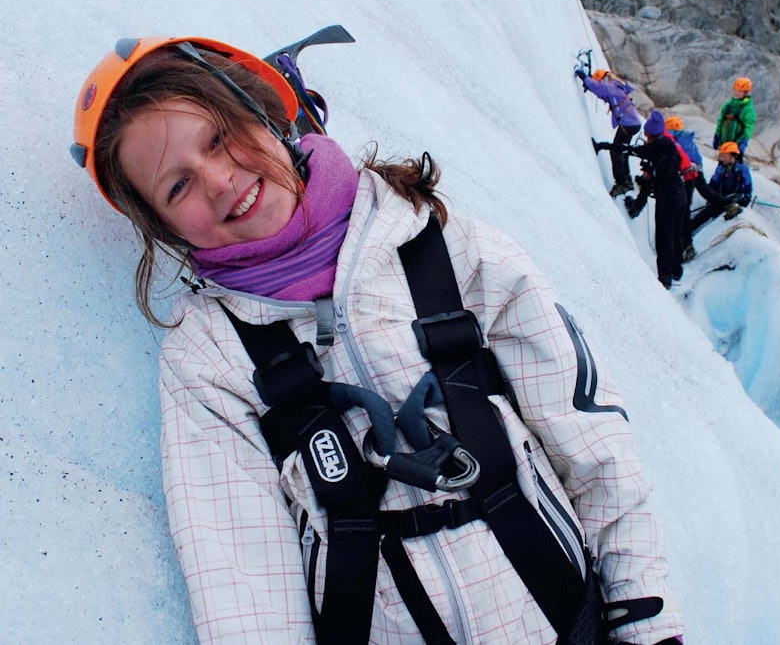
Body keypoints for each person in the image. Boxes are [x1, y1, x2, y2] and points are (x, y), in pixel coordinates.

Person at [72, 36, 684, 645]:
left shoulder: (451, 250)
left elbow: (593, 447)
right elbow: (242, 581)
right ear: (165, 227)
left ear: (262, 113)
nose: (216, 178)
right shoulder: (210, 357)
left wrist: (645, 621)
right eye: (176, 187)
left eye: (217, 136)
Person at [598, 110, 688, 289]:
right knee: (676, 234)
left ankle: (665, 279)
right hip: (680, 195)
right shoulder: (669, 146)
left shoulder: (654, 148)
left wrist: (604, 146)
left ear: (649, 132)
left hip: (667, 199)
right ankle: (677, 270)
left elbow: (629, 150)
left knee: (664, 238)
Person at [576, 67, 642, 197]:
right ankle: (626, 178)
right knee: (623, 149)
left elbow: (598, 88)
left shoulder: (610, 87)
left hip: (628, 124)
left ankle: (621, 182)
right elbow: (601, 92)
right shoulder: (617, 86)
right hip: (632, 123)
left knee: (616, 151)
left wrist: (584, 77)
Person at [689, 142, 753, 234]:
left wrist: (745, 198)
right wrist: (711, 195)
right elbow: (714, 181)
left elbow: (747, 186)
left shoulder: (742, 169)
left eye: (725, 156)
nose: (722, 159)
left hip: (735, 198)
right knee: (705, 214)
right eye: (721, 156)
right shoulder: (721, 168)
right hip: (721, 198)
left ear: (733, 156)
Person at [665, 115, 704, 261]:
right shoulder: (684, 140)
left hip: (688, 179)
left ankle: (685, 246)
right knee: (683, 211)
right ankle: (685, 246)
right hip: (689, 178)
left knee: (683, 212)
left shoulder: (681, 142)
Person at [712, 76, 756, 156]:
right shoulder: (727, 106)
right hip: (724, 145)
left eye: (739, 91)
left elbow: (749, 126)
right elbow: (720, 121)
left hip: (736, 146)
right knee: (721, 166)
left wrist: (744, 141)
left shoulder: (747, 109)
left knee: (735, 166)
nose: (736, 93)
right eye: (735, 90)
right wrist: (717, 135)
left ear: (745, 93)